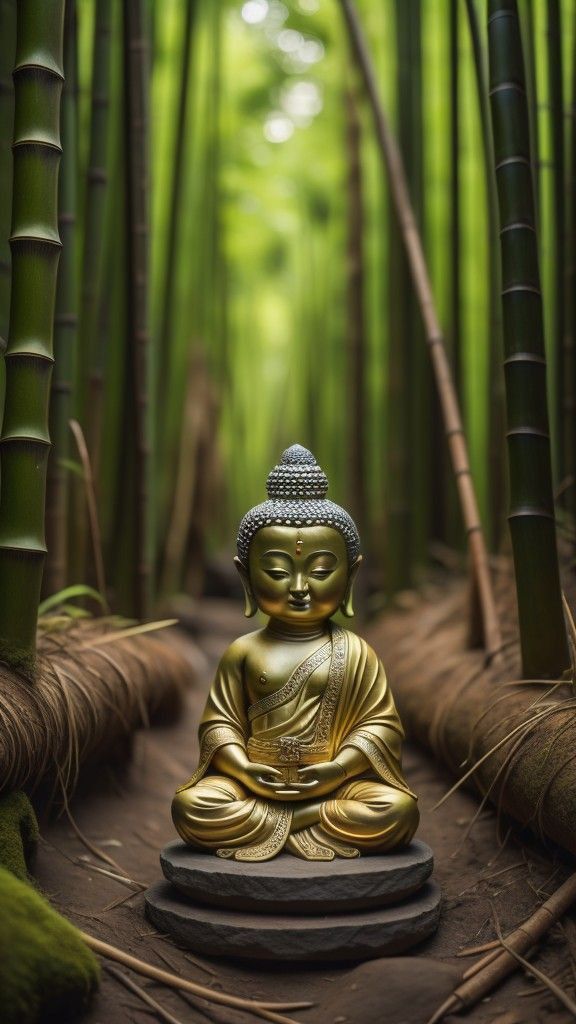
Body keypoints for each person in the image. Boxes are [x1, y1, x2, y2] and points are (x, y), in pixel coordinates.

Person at [172, 445, 419, 861]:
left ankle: (294, 818)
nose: (300, 587)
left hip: (335, 786)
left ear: (351, 575)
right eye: (278, 571)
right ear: (245, 576)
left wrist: (337, 770)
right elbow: (219, 727)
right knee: (191, 806)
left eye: (321, 571)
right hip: (252, 784)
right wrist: (244, 769)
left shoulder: (357, 652)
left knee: (398, 811)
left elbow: (381, 728)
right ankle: (304, 820)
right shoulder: (243, 651)